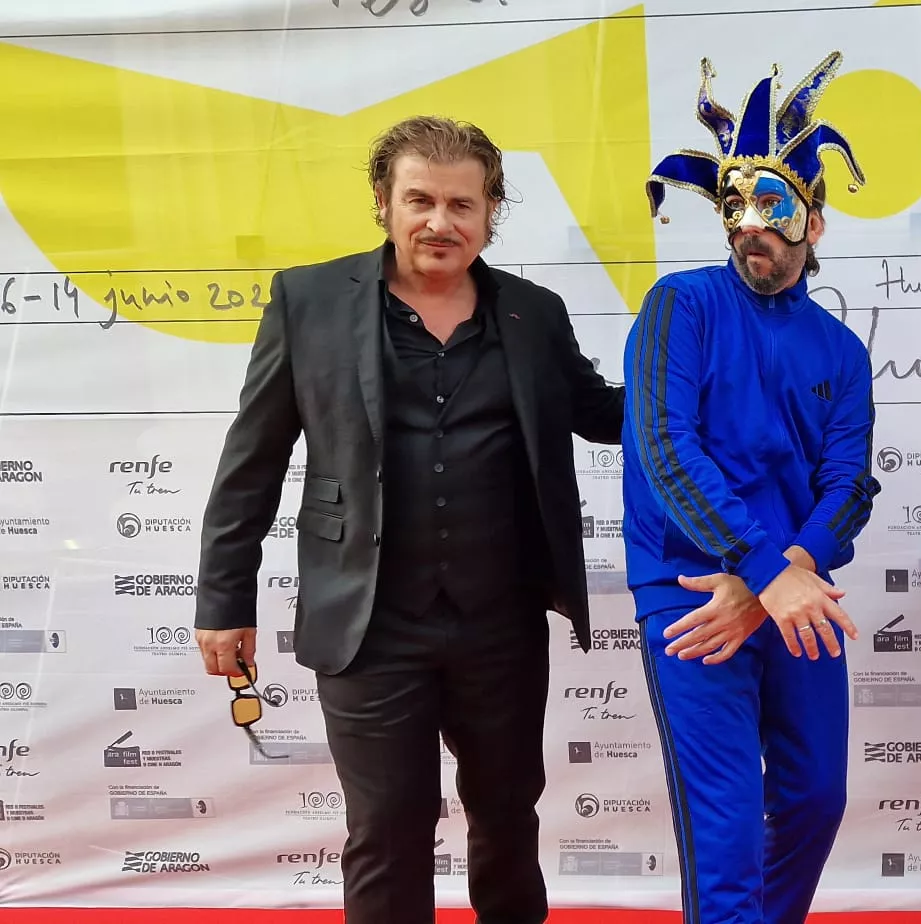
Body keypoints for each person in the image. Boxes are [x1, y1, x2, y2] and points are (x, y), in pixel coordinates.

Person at [192, 114, 625, 923]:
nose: (440, 222)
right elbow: (250, 461)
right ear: (383, 205)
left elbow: (603, 412)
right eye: (419, 200)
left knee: (506, 818)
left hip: (500, 624)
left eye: (462, 205)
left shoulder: (535, 313)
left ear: (491, 211)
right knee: (387, 828)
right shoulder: (309, 300)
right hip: (367, 623)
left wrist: (706, 382)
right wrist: (223, 601)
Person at [624, 51, 880, 924]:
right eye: (734, 207)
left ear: (815, 219)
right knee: (725, 828)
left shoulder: (841, 352)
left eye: (771, 206)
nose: (748, 226)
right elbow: (665, 449)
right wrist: (759, 573)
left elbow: (850, 485)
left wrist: (784, 572)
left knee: (816, 800)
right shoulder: (679, 307)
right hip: (692, 591)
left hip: (791, 585)